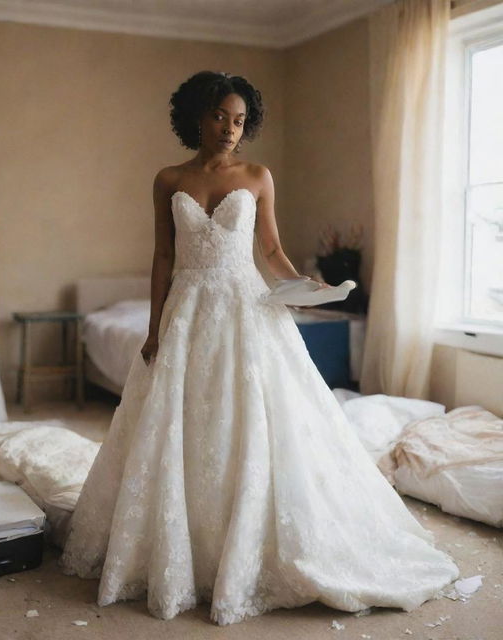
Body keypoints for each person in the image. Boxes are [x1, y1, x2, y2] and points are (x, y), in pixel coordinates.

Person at [59, 70, 459, 626]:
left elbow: (270, 246)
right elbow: (162, 259)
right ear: (197, 116)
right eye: (220, 116)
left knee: (255, 419)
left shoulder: (258, 175)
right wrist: (153, 329)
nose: (230, 129)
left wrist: (304, 285)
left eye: (241, 120)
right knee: (182, 424)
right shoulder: (168, 177)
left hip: (246, 308)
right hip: (187, 311)